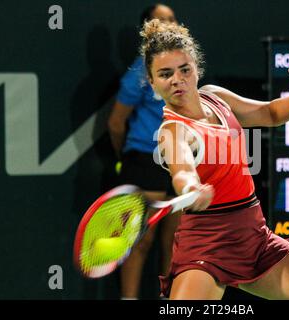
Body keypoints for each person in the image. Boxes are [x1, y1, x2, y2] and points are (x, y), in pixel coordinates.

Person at [140, 19, 289, 300]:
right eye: (165, 74)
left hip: (254, 236)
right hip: (208, 245)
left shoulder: (217, 98)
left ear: (196, 68)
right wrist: (191, 189)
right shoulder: (172, 131)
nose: (177, 79)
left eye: (184, 70)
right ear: (152, 81)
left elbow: (270, 114)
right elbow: (182, 171)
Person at [107, 4, 179, 300]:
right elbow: (115, 123)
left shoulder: (185, 68)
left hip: (178, 161)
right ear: (148, 30)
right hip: (144, 161)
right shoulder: (139, 71)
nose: (168, 25)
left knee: (175, 242)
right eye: (160, 21)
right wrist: (125, 159)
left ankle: (170, 301)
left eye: (172, 19)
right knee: (141, 240)